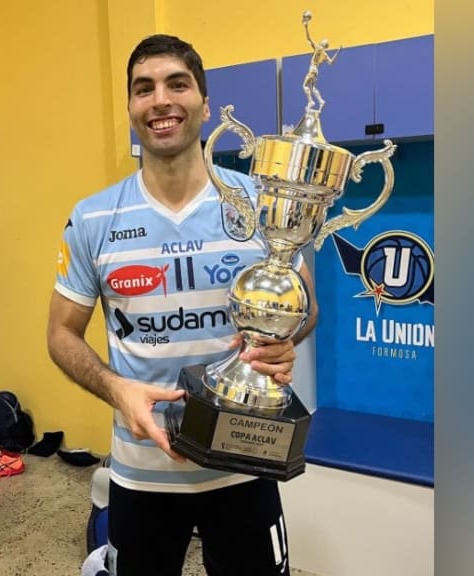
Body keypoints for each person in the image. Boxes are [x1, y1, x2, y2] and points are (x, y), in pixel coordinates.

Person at [47, 34, 319, 576]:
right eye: (143, 89)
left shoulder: (262, 205)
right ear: (130, 107)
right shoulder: (93, 218)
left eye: (178, 83)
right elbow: (61, 334)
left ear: (204, 101)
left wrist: (283, 342)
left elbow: (305, 307)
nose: (160, 100)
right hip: (142, 473)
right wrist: (116, 389)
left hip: (245, 461)